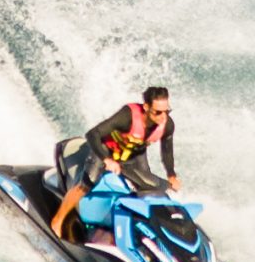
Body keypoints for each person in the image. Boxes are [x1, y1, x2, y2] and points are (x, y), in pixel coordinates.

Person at [51, 86, 177, 239]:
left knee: (150, 187)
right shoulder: (127, 117)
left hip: (133, 154)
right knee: (87, 183)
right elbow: (92, 134)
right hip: (106, 150)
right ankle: (58, 221)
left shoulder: (167, 125)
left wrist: (171, 175)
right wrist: (107, 159)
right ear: (146, 107)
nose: (163, 117)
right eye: (158, 112)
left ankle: (144, 229)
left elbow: (167, 150)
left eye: (167, 111)